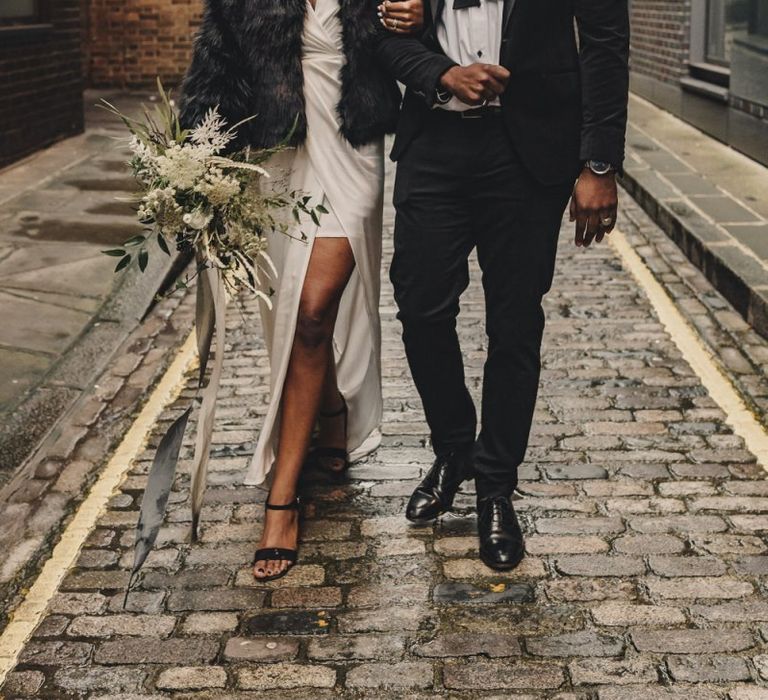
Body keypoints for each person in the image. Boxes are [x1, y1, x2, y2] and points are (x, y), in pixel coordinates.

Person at [374, 0, 630, 570]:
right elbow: (380, 31)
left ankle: (495, 486)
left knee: (514, 324)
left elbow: (606, 45)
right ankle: (454, 446)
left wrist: (600, 165)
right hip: (434, 145)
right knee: (420, 308)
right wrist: (440, 72)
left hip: (528, 151)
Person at [179, 0, 425, 581]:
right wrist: (195, 167)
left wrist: (419, 21)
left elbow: (428, 43)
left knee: (312, 311)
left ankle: (282, 498)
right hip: (278, 157)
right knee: (290, 316)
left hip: (351, 149)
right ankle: (332, 410)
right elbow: (212, 73)